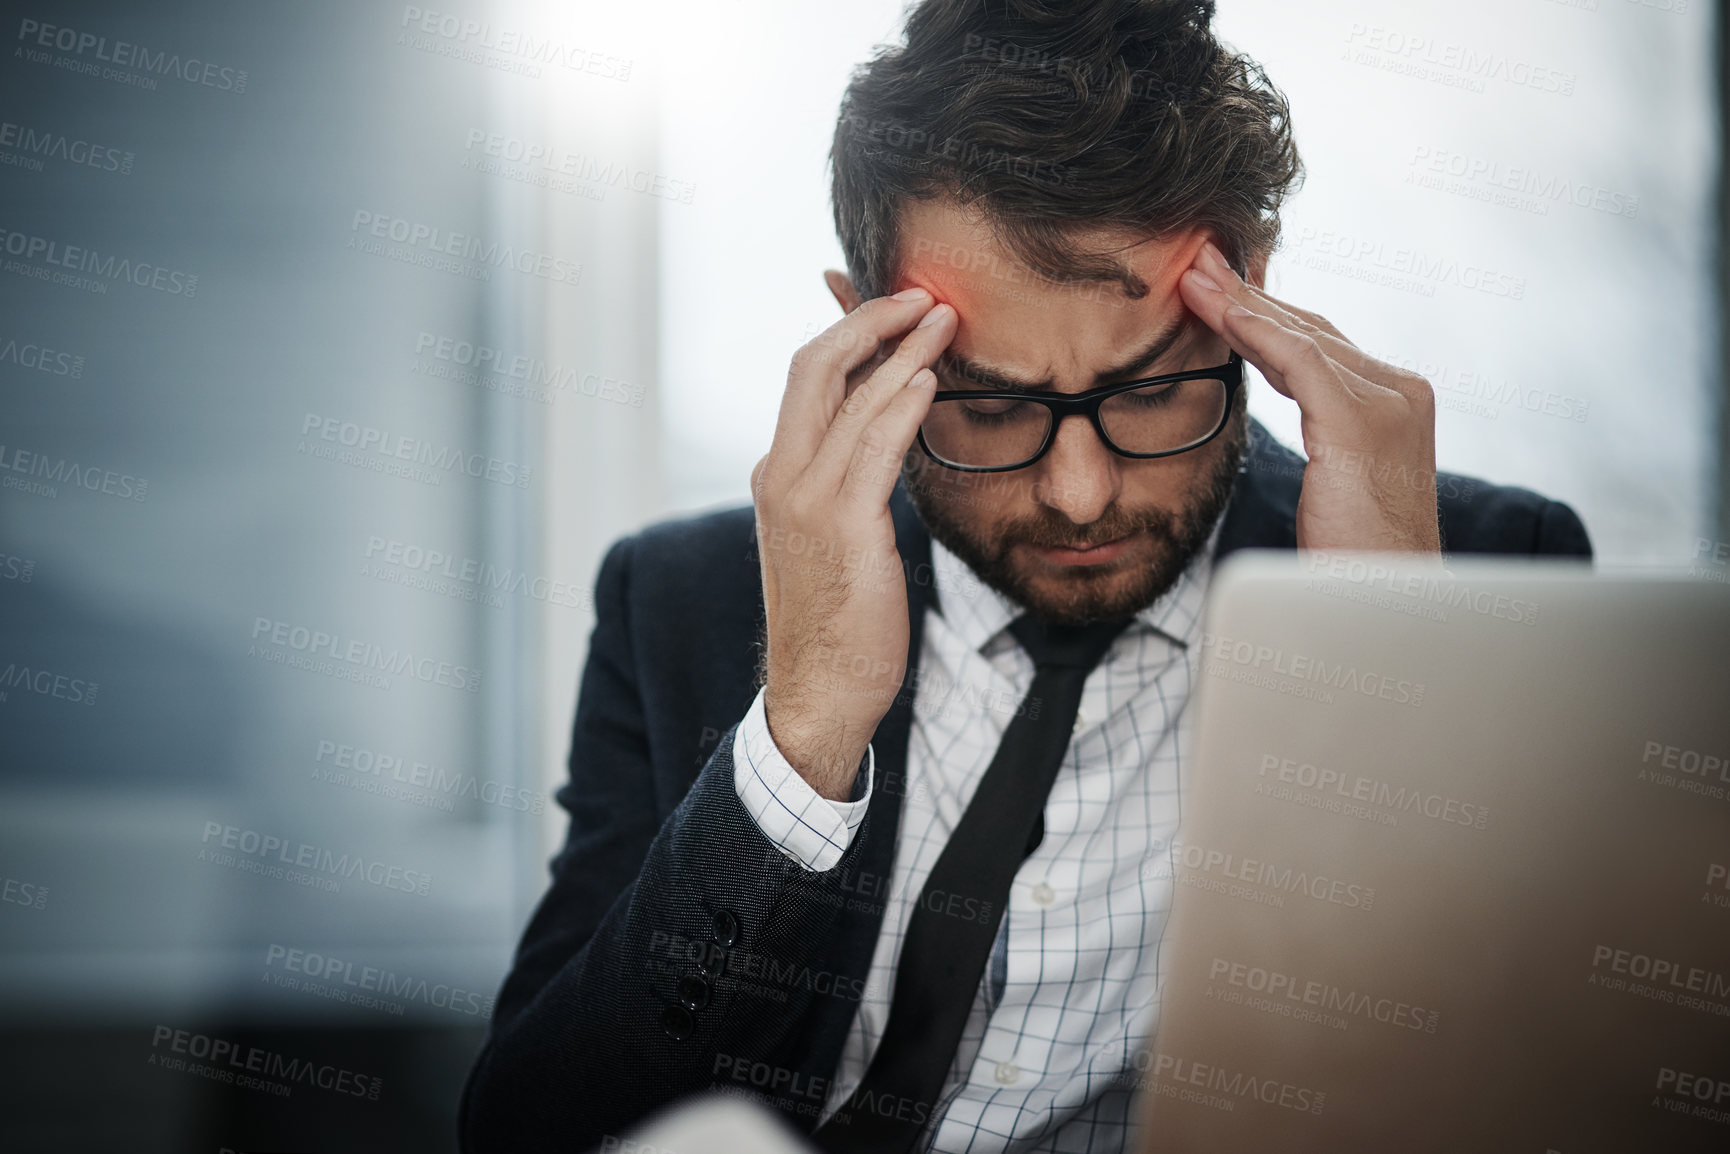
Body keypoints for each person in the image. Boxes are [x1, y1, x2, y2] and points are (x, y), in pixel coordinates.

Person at [459, 1, 1591, 1151]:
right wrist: (800, 733)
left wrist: (1394, 662)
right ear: (864, 337)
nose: (1080, 491)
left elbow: (1569, 1106)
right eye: (991, 407)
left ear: (1252, 307)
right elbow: (527, 1127)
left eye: (1150, 391)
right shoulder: (681, 600)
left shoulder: (1493, 570)